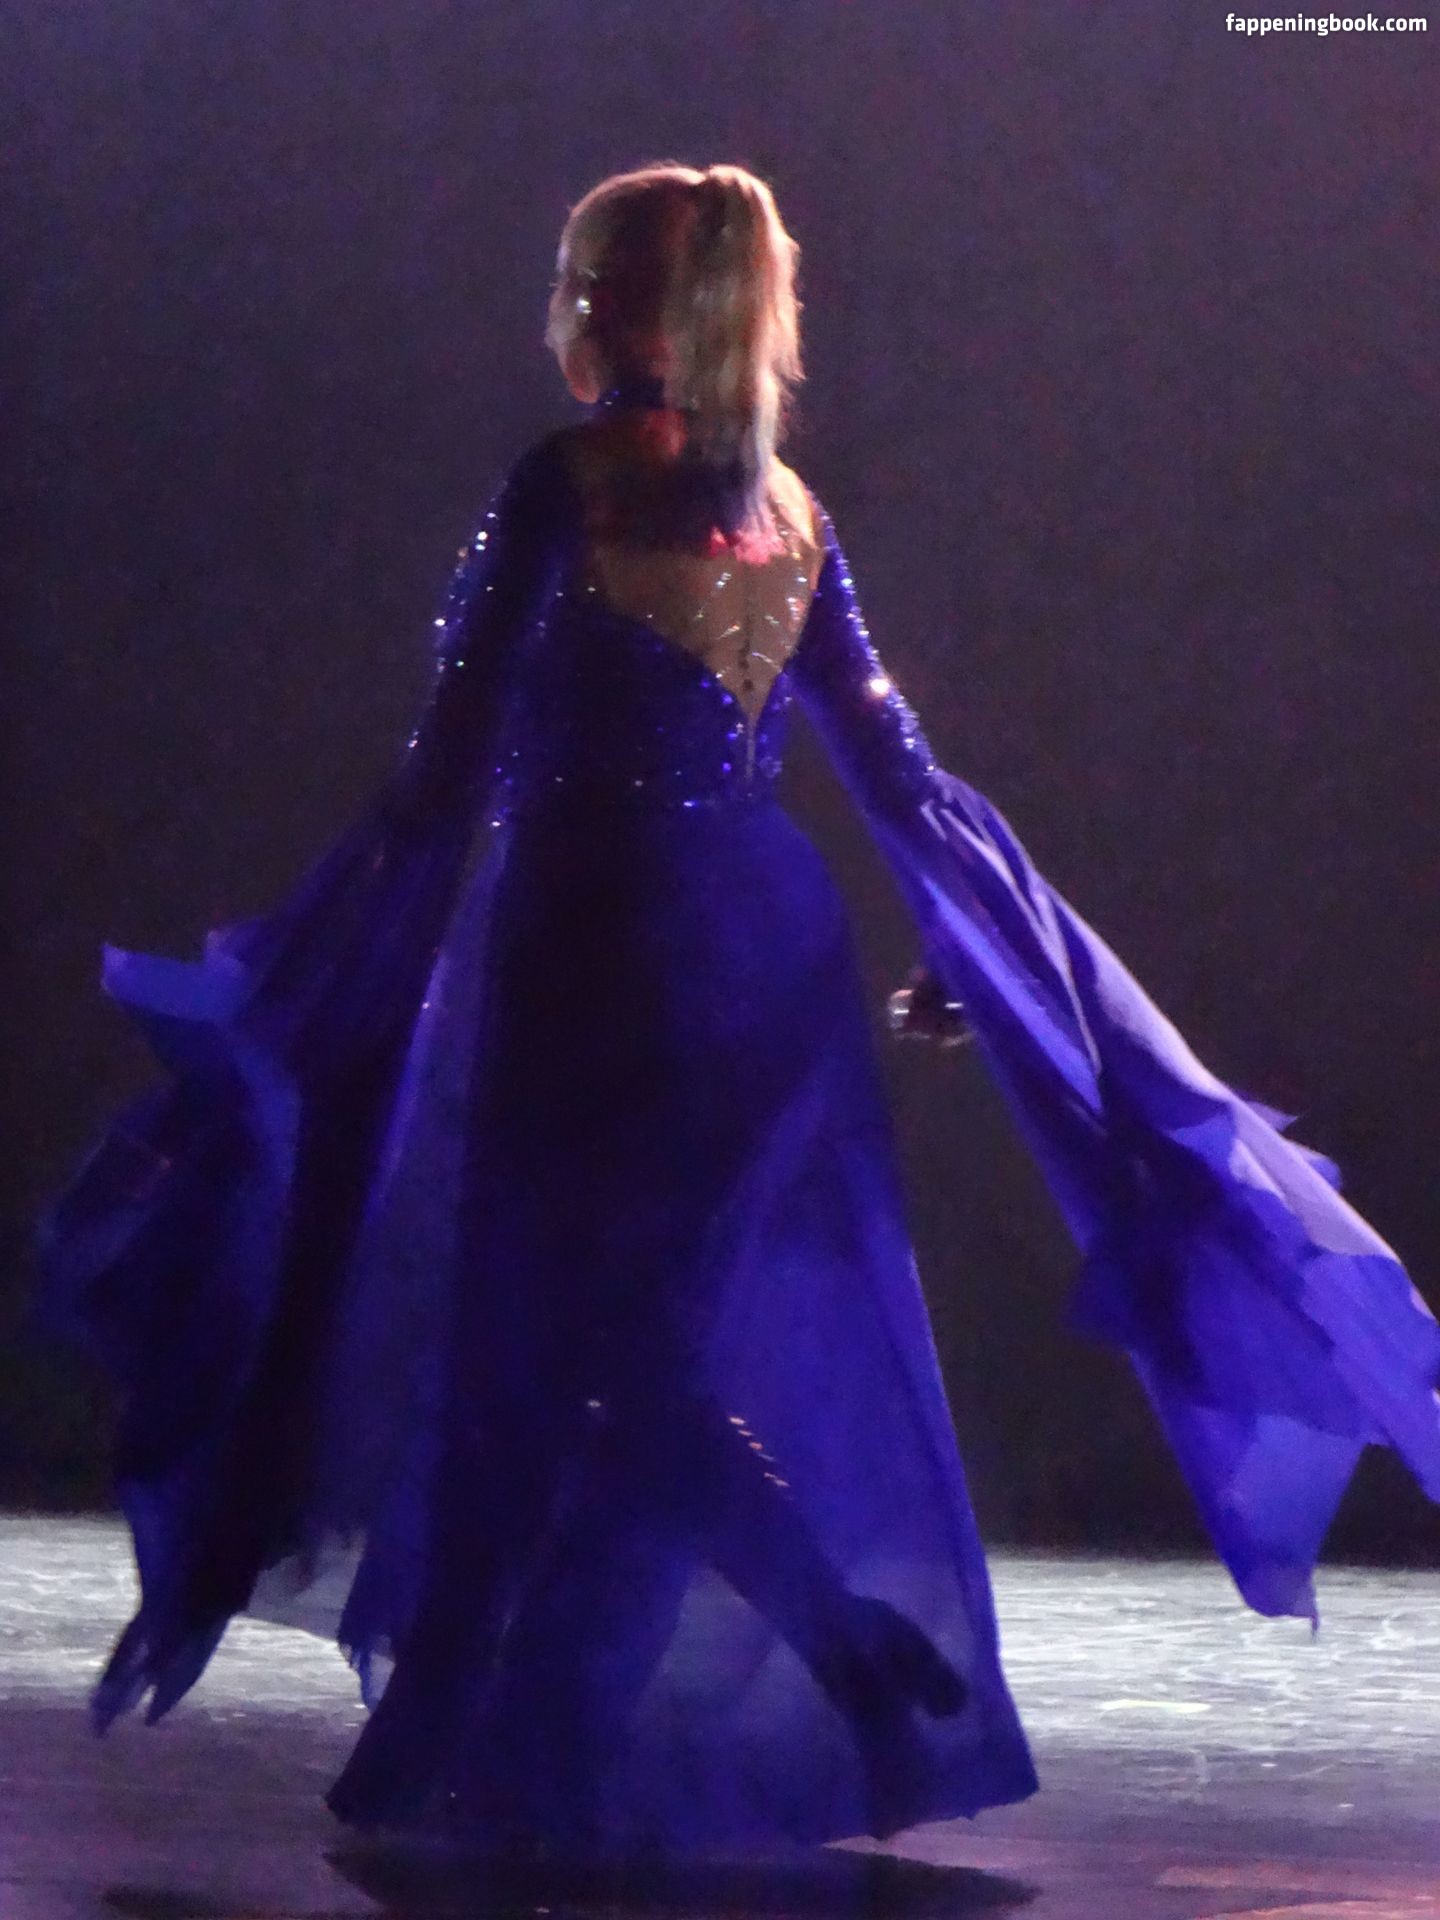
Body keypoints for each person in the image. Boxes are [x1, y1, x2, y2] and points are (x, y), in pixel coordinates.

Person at [31, 160, 1440, 1863]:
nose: (556, 307)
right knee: (614, 1350)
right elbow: (900, 774)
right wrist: (977, 952)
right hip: (762, 958)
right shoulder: (794, 516)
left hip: (596, 946)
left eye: (572, 278)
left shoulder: (565, 486)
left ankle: (816, 1642)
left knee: (574, 1350)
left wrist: (321, 977)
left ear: (606, 305)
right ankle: (538, 1718)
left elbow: (447, 766)